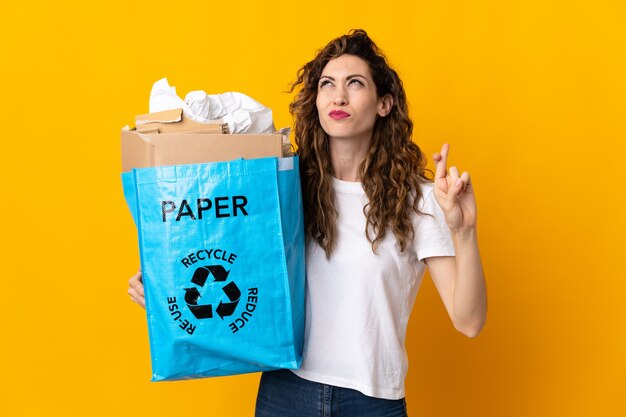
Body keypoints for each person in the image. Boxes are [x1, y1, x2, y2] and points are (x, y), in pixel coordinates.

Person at [128, 29, 487, 417]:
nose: (339, 96)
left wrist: (464, 231)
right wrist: (166, 282)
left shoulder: (418, 200)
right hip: (285, 393)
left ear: (384, 104)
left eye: (355, 83)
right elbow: (225, 254)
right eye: (327, 84)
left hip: (371, 403)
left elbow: (469, 321)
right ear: (315, 100)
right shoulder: (283, 185)